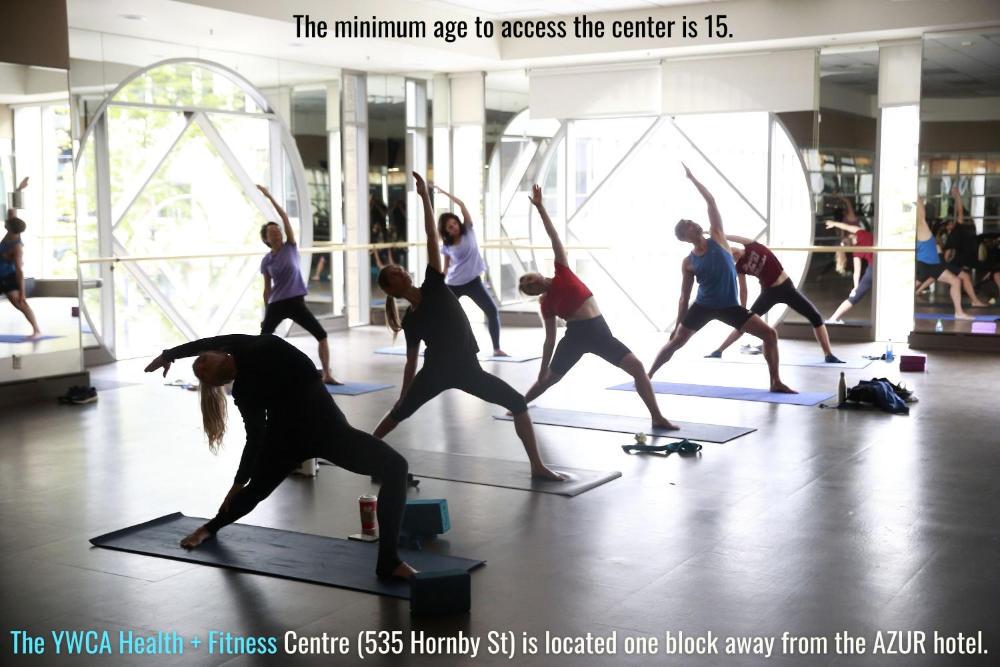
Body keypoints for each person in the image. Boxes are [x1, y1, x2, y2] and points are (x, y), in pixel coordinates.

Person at [143, 334, 414, 580]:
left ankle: (388, 562)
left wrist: (169, 355)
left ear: (219, 352)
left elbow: (203, 342)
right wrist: (238, 483)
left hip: (330, 432)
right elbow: (255, 437)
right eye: (200, 373)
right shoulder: (244, 391)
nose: (200, 366)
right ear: (219, 383)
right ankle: (209, 528)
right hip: (286, 442)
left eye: (201, 361)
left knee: (396, 467)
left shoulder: (246, 345)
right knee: (253, 493)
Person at [375, 172, 563, 481]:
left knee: (518, 403)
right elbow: (410, 361)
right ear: (392, 289)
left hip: (467, 369)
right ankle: (367, 451)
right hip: (435, 373)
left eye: (399, 268)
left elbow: (431, 237)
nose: (401, 271)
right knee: (398, 414)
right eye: (394, 274)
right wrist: (405, 394)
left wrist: (424, 198)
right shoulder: (410, 320)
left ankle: (537, 466)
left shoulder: (434, 283)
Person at [517, 185, 677, 430]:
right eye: (528, 289)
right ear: (534, 294)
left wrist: (540, 208)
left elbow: (554, 236)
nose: (531, 284)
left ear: (536, 273)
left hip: (600, 333)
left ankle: (657, 417)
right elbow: (549, 340)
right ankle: (518, 405)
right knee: (549, 379)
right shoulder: (545, 303)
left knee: (637, 367)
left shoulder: (562, 271)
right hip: (576, 337)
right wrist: (541, 370)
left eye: (529, 279)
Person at [648, 165, 795, 394]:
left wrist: (692, 178)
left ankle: (775, 381)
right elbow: (684, 297)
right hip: (702, 306)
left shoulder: (717, 236)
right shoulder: (688, 262)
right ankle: (647, 376)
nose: (693, 225)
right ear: (684, 238)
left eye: (692, 222)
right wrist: (677, 325)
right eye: (688, 226)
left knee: (769, 334)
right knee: (676, 342)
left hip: (729, 307)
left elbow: (711, 201)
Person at [706, 236, 844, 363]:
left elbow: (733, 237)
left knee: (815, 317)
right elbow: (743, 289)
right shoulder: (739, 267)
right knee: (744, 322)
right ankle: (719, 350)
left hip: (787, 289)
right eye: (730, 258)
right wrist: (743, 309)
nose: (734, 257)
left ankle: (828, 355)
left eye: (731, 253)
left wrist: (718, 235)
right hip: (769, 293)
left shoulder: (751, 245)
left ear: (733, 248)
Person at [257, 184, 341, 384]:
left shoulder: (290, 248)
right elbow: (267, 290)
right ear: (266, 239)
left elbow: (285, 217)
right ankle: (259, 375)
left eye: (278, 230)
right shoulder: (266, 261)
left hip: (296, 302)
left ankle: (327, 374)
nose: (277, 233)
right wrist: (266, 313)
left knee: (321, 335)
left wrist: (269, 196)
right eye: (272, 232)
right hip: (277, 304)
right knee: (262, 341)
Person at [434, 185, 507, 357]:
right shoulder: (447, 245)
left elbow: (462, 205)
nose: (454, 227)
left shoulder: (469, 230)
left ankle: (496, 349)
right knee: (444, 316)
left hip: (474, 282)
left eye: (454, 223)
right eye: (449, 227)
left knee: (492, 311)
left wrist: (443, 192)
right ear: (446, 231)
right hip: (453, 284)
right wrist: (439, 282)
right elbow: (446, 268)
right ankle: (436, 346)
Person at [912, 194, 974, 320]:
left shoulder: (925, 232)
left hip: (929, 264)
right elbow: (921, 215)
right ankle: (959, 313)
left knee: (955, 281)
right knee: (955, 281)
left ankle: (959, 312)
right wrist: (918, 198)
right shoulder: (921, 228)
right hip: (928, 264)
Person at [825, 195, 874, 324]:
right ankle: (833, 319)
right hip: (878, 266)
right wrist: (834, 223)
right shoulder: (860, 233)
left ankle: (833, 318)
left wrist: (856, 287)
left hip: (874, 268)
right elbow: (846, 227)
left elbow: (857, 272)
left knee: (855, 297)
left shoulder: (856, 250)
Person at [1, 177, 40, 337]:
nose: (5, 222)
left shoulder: (17, 248)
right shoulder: (11, 230)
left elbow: (19, 271)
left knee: (20, 303)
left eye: (7, 223)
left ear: (11, 229)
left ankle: (36, 330)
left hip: (9, 276)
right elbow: (12, 208)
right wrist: (19, 189)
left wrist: (22, 293)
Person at [936, 185, 987, 307]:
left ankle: (974, 301)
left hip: (950, 262)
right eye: (948, 224)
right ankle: (974, 301)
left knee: (962, 278)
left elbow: (960, 211)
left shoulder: (955, 231)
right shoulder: (950, 234)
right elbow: (946, 252)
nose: (950, 226)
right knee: (961, 278)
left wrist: (957, 196)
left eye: (950, 224)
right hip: (946, 263)